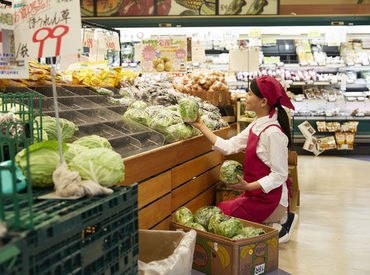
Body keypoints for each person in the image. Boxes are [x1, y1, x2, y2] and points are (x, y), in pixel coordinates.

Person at [190, 75, 298, 243]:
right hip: (255, 194)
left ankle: (279, 226)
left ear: (263, 102)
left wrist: (248, 185)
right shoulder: (257, 124)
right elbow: (229, 146)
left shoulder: (273, 133)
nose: (245, 97)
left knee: (220, 218)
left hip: (271, 200)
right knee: (220, 210)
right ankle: (278, 222)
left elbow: (280, 175)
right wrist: (201, 126)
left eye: (249, 94)